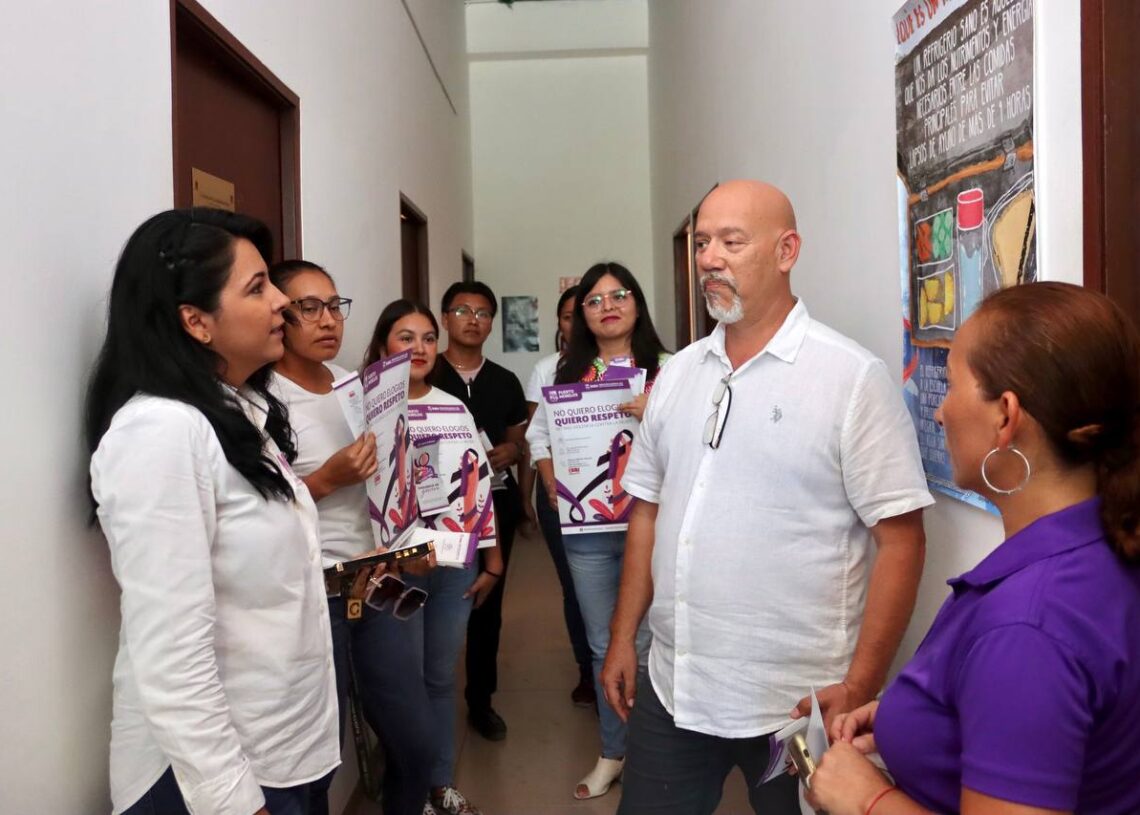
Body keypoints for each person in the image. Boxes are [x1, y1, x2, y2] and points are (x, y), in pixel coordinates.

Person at [601, 180, 933, 815]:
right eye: (703, 243)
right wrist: (623, 638)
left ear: (787, 251)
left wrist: (860, 685)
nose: (709, 259)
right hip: (676, 685)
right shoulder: (679, 374)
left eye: (732, 242)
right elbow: (647, 510)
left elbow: (902, 539)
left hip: (799, 701)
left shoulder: (849, 378)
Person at [808, 282, 1140, 815]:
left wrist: (867, 799)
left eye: (952, 385)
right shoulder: (1099, 545)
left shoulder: (1027, 627)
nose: (940, 413)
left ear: (1005, 416)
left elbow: (1028, 670)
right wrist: (914, 719)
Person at [85, 209, 339, 815]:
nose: (282, 302)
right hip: (213, 779)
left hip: (286, 749)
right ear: (195, 321)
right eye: (257, 288)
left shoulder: (239, 410)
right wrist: (232, 800)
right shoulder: (160, 431)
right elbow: (172, 653)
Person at [267, 260, 435, 815]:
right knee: (322, 751)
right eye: (308, 307)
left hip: (379, 581)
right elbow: (257, 514)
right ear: (279, 315)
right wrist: (325, 479)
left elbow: (390, 479)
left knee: (416, 739)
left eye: (334, 305)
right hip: (315, 594)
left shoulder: (354, 384)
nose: (328, 320)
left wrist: (406, 542)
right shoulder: (261, 400)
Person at [525, 263, 668, 800]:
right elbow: (539, 437)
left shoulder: (672, 368)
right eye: (594, 300)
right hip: (586, 530)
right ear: (580, 313)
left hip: (651, 524)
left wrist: (658, 414)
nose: (608, 306)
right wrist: (553, 485)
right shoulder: (562, 372)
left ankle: (651, 753)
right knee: (603, 643)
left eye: (619, 295)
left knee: (648, 642)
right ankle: (613, 750)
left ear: (637, 303)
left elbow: (703, 442)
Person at [364, 300, 504, 815]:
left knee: (441, 678)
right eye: (406, 338)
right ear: (383, 346)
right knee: (401, 686)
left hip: (453, 565)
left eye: (427, 338)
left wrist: (492, 559)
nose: (419, 348)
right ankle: (409, 789)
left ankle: (439, 782)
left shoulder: (454, 407)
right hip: (394, 569)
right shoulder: (365, 408)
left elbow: (480, 486)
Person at [432, 281, 529, 742]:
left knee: (486, 605)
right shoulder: (426, 373)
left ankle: (480, 701)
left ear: (492, 323)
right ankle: (428, 697)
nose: (473, 320)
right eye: (462, 310)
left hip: (495, 505)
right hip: (435, 511)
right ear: (444, 318)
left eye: (483, 313)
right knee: (433, 600)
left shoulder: (505, 381)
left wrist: (512, 450)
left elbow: (517, 441)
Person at [520, 286, 596, 708]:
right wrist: (543, 489)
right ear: (559, 323)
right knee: (576, 588)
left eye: (580, 315)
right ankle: (588, 670)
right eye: (567, 317)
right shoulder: (547, 369)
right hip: (559, 499)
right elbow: (538, 438)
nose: (575, 324)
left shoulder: (619, 366)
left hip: (612, 500)